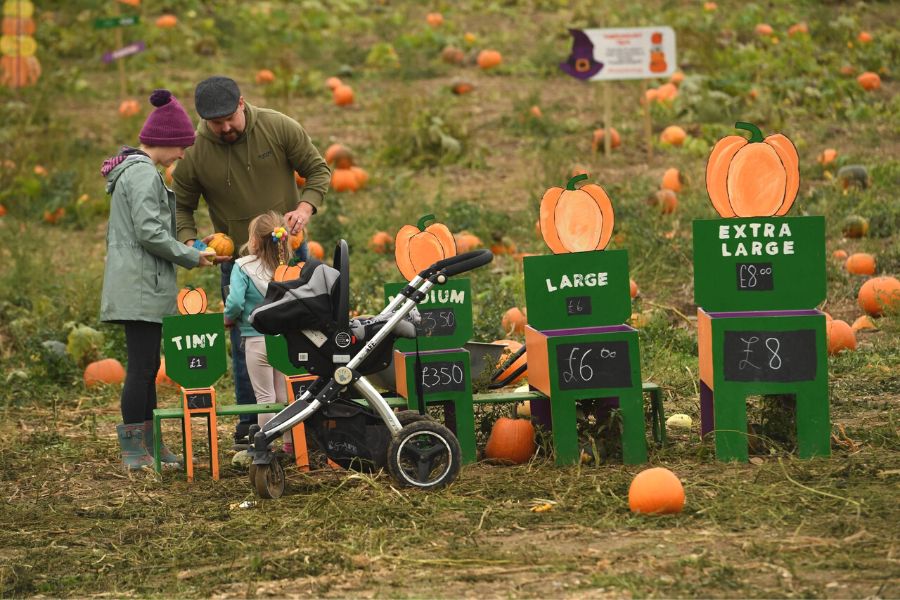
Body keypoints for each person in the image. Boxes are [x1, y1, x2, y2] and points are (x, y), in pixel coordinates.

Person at [173, 76, 330, 445]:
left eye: (230, 118)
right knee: (248, 343)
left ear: (242, 103)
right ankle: (250, 424)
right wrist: (192, 242)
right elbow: (181, 205)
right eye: (216, 123)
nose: (225, 127)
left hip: (289, 252)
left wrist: (305, 208)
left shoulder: (278, 126)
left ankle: (313, 417)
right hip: (237, 262)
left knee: (306, 334)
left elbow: (318, 169)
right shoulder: (195, 152)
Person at [100, 89, 220, 470]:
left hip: (144, 284)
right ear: (166, 142)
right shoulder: (140, 175)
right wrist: (192, 257)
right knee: (139, 369)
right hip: (139, 286)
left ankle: (152, 444)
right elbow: (150, 233)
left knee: (148, 367)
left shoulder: (139, 173)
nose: (183, 154)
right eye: (181, 146)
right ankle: (135, 449)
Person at [223, 211, 294, 459]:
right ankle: (290, 445)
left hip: (256, 338)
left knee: (265, 397)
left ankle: (267, 446)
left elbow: (234, 302)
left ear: (254, 241)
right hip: (284, 340)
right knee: (284, 395)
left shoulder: (243, 266)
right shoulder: (287, 268)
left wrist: (228, 318)